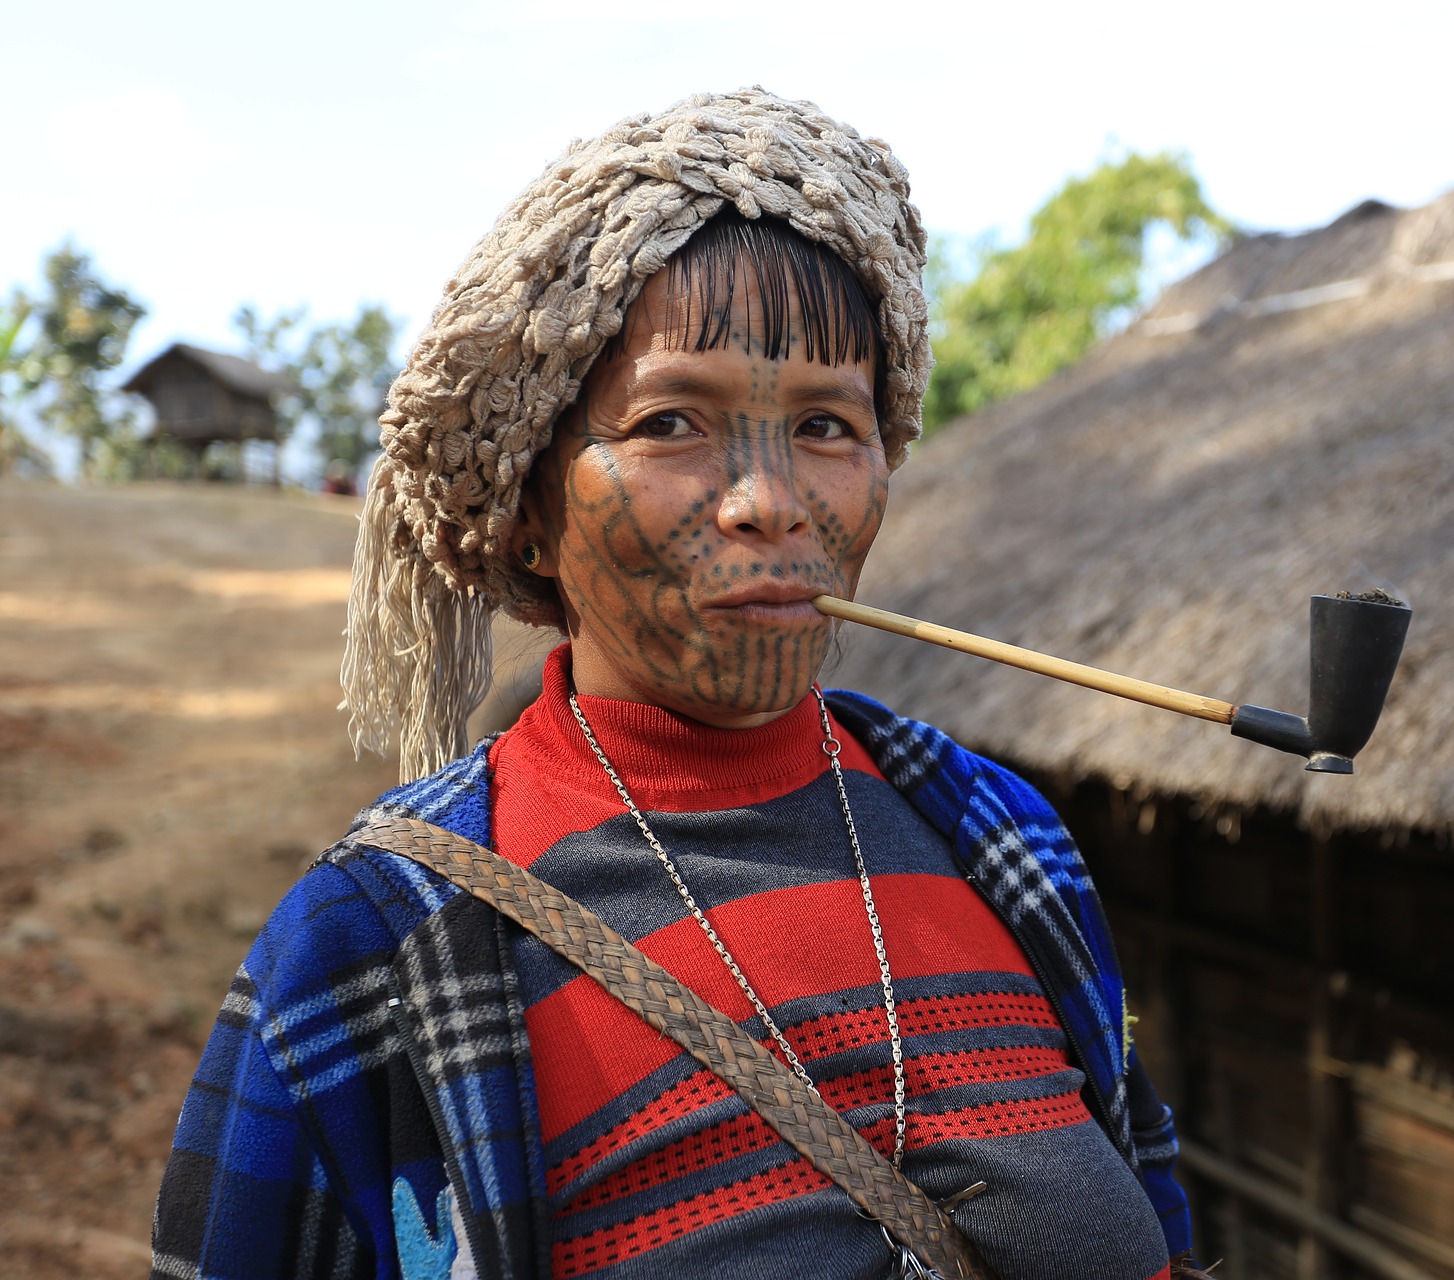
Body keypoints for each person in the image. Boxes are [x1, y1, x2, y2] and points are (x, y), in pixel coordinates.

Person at [151, 90, 1196, 1280]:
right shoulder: (372, 949)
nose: (771, 499)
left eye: (824, 425)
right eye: (669, 421)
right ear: (532, 514)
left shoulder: (1006, 843)